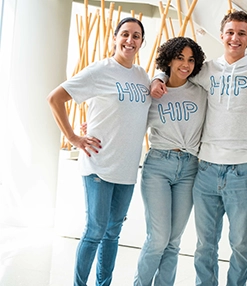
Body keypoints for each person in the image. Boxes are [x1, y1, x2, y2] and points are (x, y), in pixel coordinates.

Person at [150, 11, 247, 286]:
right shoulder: (207, 69)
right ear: (222, 35)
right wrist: (157, 77)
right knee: (204, 246)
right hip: (206, 170)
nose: (234, 38)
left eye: (241, 33)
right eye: (229, 32)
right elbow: (176, 68)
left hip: (245, 171)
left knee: (240, 246)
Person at [47, 17, 151, 286]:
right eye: (125, 34)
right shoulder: (100, 70)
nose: (130, 40)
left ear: (142, 42)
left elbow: (129, 113)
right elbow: (55, 98)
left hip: (127, 168)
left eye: (136, 36)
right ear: (114, 38)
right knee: (95, 230)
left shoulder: (141, 75)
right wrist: (73, 137)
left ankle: (103, 283)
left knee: (113, 233)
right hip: (99, 164)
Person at [134, 37, 206, 286]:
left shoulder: (201, 92)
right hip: (158, 166)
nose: (185, 64)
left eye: (190, 60)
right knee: (158, 239)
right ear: (169, 60)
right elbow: (130, 122)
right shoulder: (153, 92)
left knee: (174, 241)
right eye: (179, 58)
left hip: (190, 168)